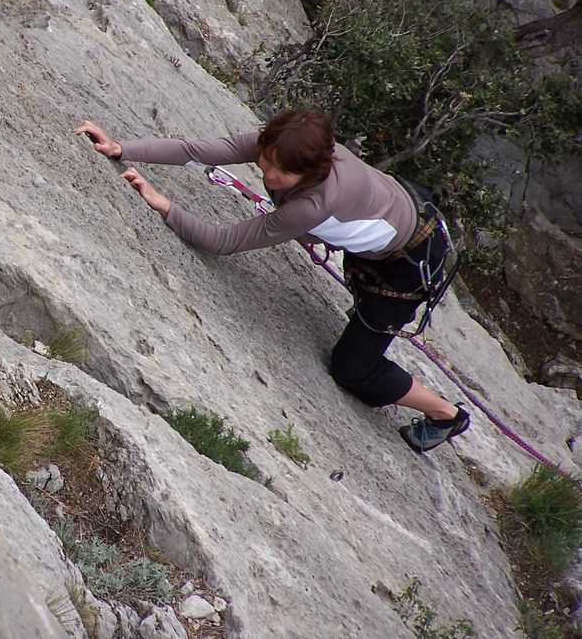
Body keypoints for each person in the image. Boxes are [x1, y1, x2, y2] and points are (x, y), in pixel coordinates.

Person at [75, 108, 470, 453]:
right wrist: (121, 148)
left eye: (280, 173)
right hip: (398, 212)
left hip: (410, 263)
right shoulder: (288, 145)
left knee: (353, 369)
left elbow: (223, 241)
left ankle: (446, 415)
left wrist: (164, 205)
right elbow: (200, 151)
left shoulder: (314, 204)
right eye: (265, 163)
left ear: (311, 170)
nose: (269, 174)